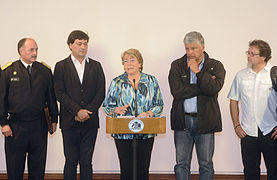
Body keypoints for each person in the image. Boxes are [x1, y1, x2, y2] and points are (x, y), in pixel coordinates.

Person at [168, 31, 226, 180]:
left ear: (203, 47)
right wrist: (203, 87)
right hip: (183, 121)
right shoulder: (177, 65)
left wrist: (198, 73)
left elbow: (213, 89)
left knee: (206, 164)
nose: (189, 52)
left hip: (206, 121)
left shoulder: (215, 65)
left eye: (193, 48)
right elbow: (177, 92)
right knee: (181, 164)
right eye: (187, 48)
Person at [0, 38, 58, 180]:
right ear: (21, 51)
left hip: (38, 125)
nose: (35, 53)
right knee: (14, 167)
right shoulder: (8, 71)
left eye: (36, 49)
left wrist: (54, 119)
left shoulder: (45, 71)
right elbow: (1, 99)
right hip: (15, 126)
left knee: (38, 168)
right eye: (31, 50)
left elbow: (51, 97)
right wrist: (3, 123)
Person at [102, 48, 164, 180]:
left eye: (132, 60)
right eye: (125, 61)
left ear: (140, 63)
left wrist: (149, 113)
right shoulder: (117, 82)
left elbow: (159, 104)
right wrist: (115, 110)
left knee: (143, 169)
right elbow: (107, 105)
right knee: (126, 169)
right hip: (123, 133)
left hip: (146, 132)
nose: (129, 64)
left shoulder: (151, 81)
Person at [54, 30, 105, 180]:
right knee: (70, 161)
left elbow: (101, 92)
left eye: (85, 43)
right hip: (69, 122)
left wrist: (87, 111)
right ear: (70, 45)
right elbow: (59, 93)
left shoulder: (96, 66)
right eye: (79, 43)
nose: (83, 47)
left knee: (86, 162)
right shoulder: (61, 66)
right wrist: (77, 111)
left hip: (90, 122)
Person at [228, 40, 277, 180]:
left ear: (263, 57)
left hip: (270, 131)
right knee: (250, 172)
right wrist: (236, 125)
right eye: (248, 52)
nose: (248, 56)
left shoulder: (274, 73)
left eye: (252, 53)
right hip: (247, 132)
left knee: (274, 171)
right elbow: (233, 100)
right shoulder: (241, 75)